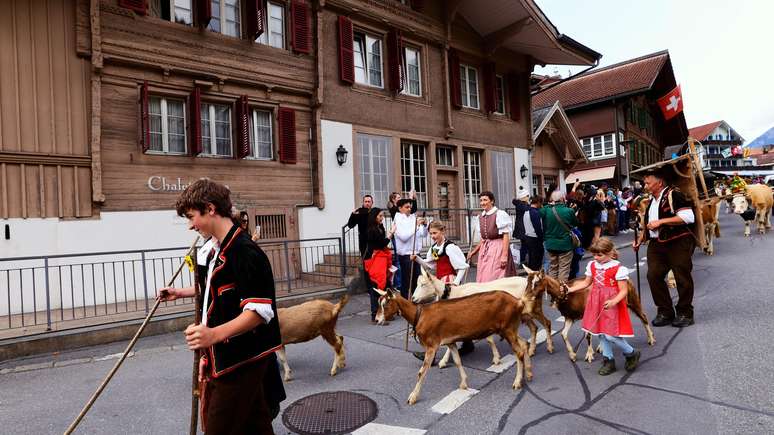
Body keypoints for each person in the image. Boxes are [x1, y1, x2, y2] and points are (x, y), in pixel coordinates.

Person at [159, 179, 285, 434]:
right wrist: (180, 292)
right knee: (255, 426)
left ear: (210, 208)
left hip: (241, 360)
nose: (190, 225)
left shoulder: (245, 252)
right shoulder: (217, 249)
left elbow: (259, 312)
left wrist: (212, 335)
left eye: (192, 216)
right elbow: (216, 289)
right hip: (225, 357)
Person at [565, 238, 640, 376]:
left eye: (600, 255)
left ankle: (631, 353)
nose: (596, 258)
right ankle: (608, 360)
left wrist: (613, 301)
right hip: (596, 301)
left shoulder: (618, 268)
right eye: (594, 254)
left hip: (612, 303)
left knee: (611, 335)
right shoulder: (592, 265)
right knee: (600, 333)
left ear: (610, 253)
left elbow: (623, 290)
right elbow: (586, 282)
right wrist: (571, 289)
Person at [633, 170, 696, 327]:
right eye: (645, 183)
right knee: (653, 276)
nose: (645, 185)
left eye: (648, 183)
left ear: (659, 183)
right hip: (656, 244)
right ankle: (665, 311)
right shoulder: (651, 201)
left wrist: (661, 222)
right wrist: (640, 239)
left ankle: (685, 313)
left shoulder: (674, 195)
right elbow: (649, 223)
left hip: (678, 242)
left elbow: (688, 217)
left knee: (682, 277)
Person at [412, 220, 472, 358]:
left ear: (442, 231)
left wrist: (455, 282)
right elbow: (431, 266)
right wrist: (417, 259)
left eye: (435, 233)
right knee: (450, 316)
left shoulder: (450, 247)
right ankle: (466, 343)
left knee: (449, 317)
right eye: (431, 233)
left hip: (449, 282)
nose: (433, 236)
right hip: (440, 283)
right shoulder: (434, 248)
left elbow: (462, 266)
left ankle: (437, 351)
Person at [467, 191, 515, 282]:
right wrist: (473, 252)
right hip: (485, 250)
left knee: (494, 275)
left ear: (492, 201)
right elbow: (483, 239)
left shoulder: (500, 214)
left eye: (485, 200)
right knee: (484, 275)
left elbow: (505, 235)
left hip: (498, 248)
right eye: (481, 200)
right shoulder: (480, 217)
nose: (482, 203)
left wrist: (504, 255)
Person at [363, 207, 396, 323]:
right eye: (380, 216)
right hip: (376, 261)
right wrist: (390, 234)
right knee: (376, 289)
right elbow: (381, 244)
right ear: (374, 217)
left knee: (386, 287)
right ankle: (375, 316)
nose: (382, 218)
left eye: (383, 216)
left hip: (381, 260)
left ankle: (386, 312)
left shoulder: (379, 227)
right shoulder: (371, 230)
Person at [540, 190, 578, 282]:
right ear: (562, 198)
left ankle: (553, 291)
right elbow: (575, 224)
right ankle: (561, 292)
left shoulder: (546, 210)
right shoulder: (569, 211)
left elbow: (539, 213)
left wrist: (550, 205)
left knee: (553, 268)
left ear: (552, 199)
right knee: (563, 269)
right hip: (565, 244)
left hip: (550, 244)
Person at [393, 199, 427, 299]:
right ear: (400, 208)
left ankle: (416, 300)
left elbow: (423, 234)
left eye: (410, 207)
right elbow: (403, 237)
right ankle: (404, 302)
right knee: (407, 281)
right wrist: (416, 226)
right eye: (407, 207)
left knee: (417, 280)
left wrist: (424, 226)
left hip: (416, 253)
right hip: (406, 254)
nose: (409, 209)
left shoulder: (413, 218)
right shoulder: (397, 220)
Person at [513, 190, 544, 272]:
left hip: (526, 231)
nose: (528, 198)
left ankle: (526, 264)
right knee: (530, 252)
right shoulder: (524, 207)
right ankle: (523, 262)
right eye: (527, 196)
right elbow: (537, 227)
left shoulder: (525, 207)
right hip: (528, 232)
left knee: (528, 250)